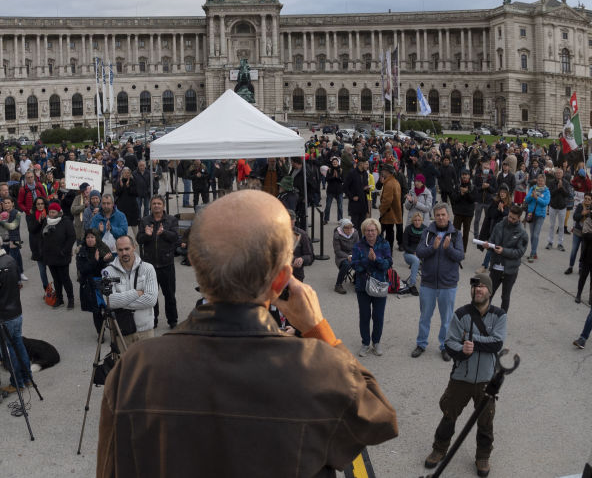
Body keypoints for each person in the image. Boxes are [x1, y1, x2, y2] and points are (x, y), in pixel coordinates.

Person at [97, 190, 398, 477]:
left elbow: (109, 469)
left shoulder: (135, 368)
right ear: (282, 280)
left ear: (198, 269)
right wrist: (317, 328)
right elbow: (379, 420)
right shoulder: (318, 367)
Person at [423, 273, 506, 477]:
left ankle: (483, 456)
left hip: (487, 380)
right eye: (475, 287)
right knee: (449, 415)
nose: (478, 290)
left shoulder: (500, 315)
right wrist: (462, 350)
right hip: (461, 377)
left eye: (482, 287)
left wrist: (470, 340)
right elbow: (450, 343)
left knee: (486, 420)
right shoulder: (460, 314)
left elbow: (497, 343)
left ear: (490, 291)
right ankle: (440, 448)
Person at [0, 233, 33, 394]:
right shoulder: (10, 260)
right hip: (16, 312)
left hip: (3, 315)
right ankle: (27, 378)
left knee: (8, 351)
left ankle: (16, 382)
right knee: (19, 345)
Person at [413, 204, 465, 361]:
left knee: (446, 319)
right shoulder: (427, 232)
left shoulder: (456, 234)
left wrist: (448, 249)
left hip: (448, 284)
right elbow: (419, 252)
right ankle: (421, 344)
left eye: (443, 214)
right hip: (428, 283)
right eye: (438, 215)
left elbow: (460, 256)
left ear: (448, 216)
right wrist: (433, 248)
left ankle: (445, 346)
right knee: (424, 317)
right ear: (434, 216)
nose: (441, 217)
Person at [105, 235, 158, 348]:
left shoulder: (148, 268)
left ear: (134, 247)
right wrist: (136, 293)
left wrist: (121, 303)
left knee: (148, 366)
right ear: (116, 250)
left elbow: (151, 300)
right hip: (122, 331)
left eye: (127, 248)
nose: (124, 253)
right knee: (125, 366)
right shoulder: (108, 272)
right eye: (120, 250)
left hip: (145, 331)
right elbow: (110, 302)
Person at [136, 195, 179, 328]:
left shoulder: (171, 220)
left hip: (166, 264)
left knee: (170, 295)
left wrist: (164, 232)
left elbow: (175, 238)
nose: (156, 206)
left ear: (163, 206)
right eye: (154, 203)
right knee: (151, 295)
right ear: (150, 206)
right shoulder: (145, 221)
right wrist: (147, 235)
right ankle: (152, 320)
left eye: (159, 204)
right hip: (149, 265)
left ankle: (172, 321)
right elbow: (139, 239)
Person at [351, 218, 392, 357]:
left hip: (380, 285)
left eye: (373, 230)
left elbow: (388, 264)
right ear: (364, 231)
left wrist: (376, 260)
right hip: (363, 286)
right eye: (367, 230)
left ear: (377, 231)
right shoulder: (358, 245)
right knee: (364, 316)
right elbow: (355, 266)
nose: (370, 233)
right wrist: (367, 260)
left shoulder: (385, 244)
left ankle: (376, 342)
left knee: (378, 316)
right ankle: (365, 343)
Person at [487, 205, 529, 312]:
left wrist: (504, 251)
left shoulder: (522, 233)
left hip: (510, 271)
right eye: (509, 216)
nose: (510, 219)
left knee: (505, 297)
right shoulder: (499, 225)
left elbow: (520, 252)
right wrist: (488, 245)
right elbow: (492, 240)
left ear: (519, 218)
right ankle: (484, 315)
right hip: (496, 266)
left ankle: (502, 318)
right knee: (488, 294)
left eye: (513, 218)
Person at [40, 202, 76, 309]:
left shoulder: (66, 222)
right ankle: (59, 299)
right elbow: (42, 236)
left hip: (62, 256)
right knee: (56, 279)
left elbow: (71, 237)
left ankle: (71, 299)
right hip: (50, 256)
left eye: (53, 212)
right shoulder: (46, 222)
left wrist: (64, 251)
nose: (51, 214)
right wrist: (42, 250)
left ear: (59, 212)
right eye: (50, 212)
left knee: (65, 278)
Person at [77, 228, 114, 333]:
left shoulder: (102, 248)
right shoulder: (82, 251)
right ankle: (100, 333)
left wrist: (105, 260)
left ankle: (113, 330)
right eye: (88, 237)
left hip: (103, 283)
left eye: (92, 237)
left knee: (109, 308)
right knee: (96, 311)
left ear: (96, 238)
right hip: (90, 285)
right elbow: (83, 269)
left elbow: (109, 266)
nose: (90, 239)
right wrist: (95, 260)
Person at [523, 174, 550, 262]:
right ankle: (534, 252)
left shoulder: (546, 191)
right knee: (532, 235)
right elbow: (526, 200)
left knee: (536, 235)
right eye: (539, 180)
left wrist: (537, 198)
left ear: (544, 182)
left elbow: (546, 203)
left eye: (542, 181)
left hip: (540, 215)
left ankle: (532, 253)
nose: (540, 182)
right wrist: (531, 196)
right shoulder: (533, 188)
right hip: (531, 213)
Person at [545, 168, 572, 251]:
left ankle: (560, 243)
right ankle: (550, 242)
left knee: (561, 226)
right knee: (552, 225)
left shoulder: (566, 183)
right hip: (553, 206)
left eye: (560, 173)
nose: (558, 174)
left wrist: (562, 188)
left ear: (563, 174)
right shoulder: (552, 182)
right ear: (555, 174)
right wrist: (557, 188)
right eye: (557, 173)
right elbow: (550, 194)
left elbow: (567, 194)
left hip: (562, 207)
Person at [399, 211, 425, 296]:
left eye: (419, 220)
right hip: (409, 254)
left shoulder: (426, 229)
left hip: (422, 254)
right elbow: (404, 245)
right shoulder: (408, 229)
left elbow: (428, 244)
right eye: (415, 220)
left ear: (422, 221)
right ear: (412, 221)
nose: (417, 222)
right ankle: (412, 285)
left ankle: (432, 284)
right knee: (416, 261)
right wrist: (413, 252)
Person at [333, 218, 359, 295]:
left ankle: (357, 281)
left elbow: (358, 247)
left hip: (353, 254)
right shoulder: (337, 235)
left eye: (350, 227)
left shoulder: (355, 233)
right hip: (341, 256)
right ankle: (338, 285)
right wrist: (348, 256)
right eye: (346, 228)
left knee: (362, 261)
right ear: (342, 228)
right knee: (346, 264)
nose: (349, 230)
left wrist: (354, 255)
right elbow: (337, 251)